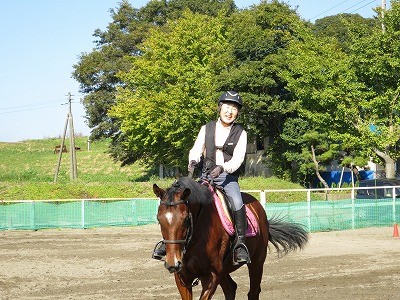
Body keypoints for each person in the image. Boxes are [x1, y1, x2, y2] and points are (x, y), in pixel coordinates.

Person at [152, 91, 250, 265]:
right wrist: (193, 160)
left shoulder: (241, 133)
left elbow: (238, 159)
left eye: (234, 108)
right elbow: (197, 148)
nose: (230, 111)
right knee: (183, 202)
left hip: (227, 179)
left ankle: (240, 244)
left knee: (236, 202)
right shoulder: (207, 128)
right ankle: (168, 243)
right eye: (227, 107)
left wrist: (223, 168)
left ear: (237, 112)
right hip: (205, 176)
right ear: (220, 108)